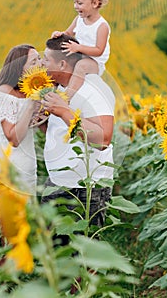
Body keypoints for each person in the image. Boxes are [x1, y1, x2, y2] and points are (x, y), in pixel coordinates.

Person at [41, 34, 115, 228]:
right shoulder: (61, 91)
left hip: (86, 187)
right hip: (58, 180)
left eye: (46, 60)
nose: (41, 64)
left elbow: (103, 139)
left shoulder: (94, 90)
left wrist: (64, 111)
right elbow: (63, 134)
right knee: (51, 249)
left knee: (80, 252)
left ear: (63, 64)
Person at [0, 44, 41, 199]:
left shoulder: (28, 92)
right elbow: (13, 139)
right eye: (34, 62)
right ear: (19, 68)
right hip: (6, 175)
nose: (40, 65)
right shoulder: (5, 93)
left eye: (40, 59)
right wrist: (30, 106)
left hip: (26, 172)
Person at [52, 0, 110, 99]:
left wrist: (78, 48)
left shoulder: (102, 26)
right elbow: (68, 33)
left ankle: (66, 97)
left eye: (79, 3)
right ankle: (52, 90)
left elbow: (98, 50)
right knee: (58, 61)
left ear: (94, 3)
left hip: (94, 62)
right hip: (79, 55)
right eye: (74, 2)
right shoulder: (79, 19)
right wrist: (59, 34)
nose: (75, 7)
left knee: (81, 66)